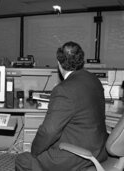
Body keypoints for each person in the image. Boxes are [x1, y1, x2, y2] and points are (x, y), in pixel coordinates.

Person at [15, 41, 108, 171]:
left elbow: (49, 131)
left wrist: (34, 151)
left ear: (59, 63)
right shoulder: (94, 80)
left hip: (79, 156)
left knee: (23, 160)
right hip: (99, 150)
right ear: (81, 60)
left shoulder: (63, 90)